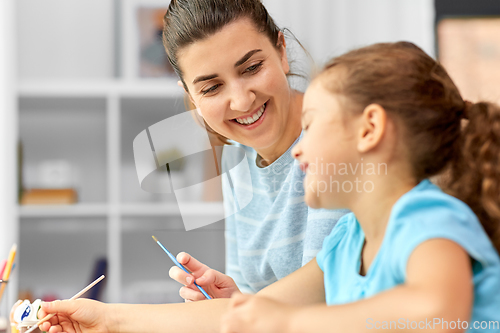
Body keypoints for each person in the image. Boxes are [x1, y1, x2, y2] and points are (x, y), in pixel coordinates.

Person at [37, 0, 347, 332]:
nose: (242, 101)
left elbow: (324, 297)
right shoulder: (235, 155)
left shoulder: (335, 138)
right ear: (191, 96)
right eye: (212, 87)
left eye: (252, 68)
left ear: (282, 51)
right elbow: (261, 311)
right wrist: (233, 299)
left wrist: (113, 320)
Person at [219, 41, 500, 332]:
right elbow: (268, 306)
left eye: (311, 125)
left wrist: (290, 322)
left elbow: (438, 313)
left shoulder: (430, 218)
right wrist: (239, 305)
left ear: (369, 130)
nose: (296, 151)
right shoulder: (344, 243)